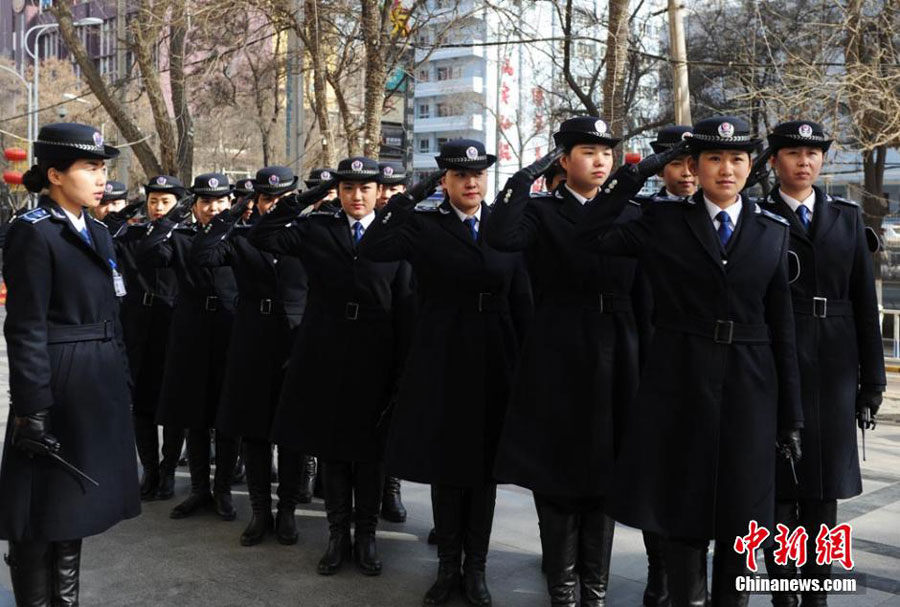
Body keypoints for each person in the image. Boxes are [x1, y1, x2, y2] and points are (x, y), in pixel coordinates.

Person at [575, 116, 804, 607]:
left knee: (742, 519)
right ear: (695, 166)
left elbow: (782, 327)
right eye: (714, 159)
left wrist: (792, 416)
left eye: (737, 159)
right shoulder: (662, 220)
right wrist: (639, 171)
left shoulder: (771, 230)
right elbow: (590, 232)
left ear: (751, 166)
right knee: (684, 513)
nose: (726, 169)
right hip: (679, 379)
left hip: (750, 385)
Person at [486, 117, 667, 607]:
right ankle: (563, 590)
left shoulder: (633, 212)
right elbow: (501, 236)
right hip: (560, 350)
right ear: (563, 161)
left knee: (607, 474)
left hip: (620, 350)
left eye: (607, 152)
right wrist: (525, 176)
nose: (601, 160)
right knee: (557, 473)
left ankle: (597, 590)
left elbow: (648, 291)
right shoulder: (543, 211)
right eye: (587, 151)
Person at [361, 140, 533, 606]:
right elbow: (374, 246)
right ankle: (446, 568)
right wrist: (406, 197)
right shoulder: (423, 225)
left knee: (483, 471)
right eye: (460, 175)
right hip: (442, 356)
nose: (471, 182)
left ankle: (475, 569)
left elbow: (522, 297)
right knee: (446, 465)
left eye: (478, 174)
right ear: (445, 182)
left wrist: (523, 367)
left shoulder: (504, 225)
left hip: (495, 358)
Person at [248, 156, 414, 577]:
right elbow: (263, 234)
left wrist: (404, 365)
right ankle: (338, 537)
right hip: (327, 351)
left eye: (365, 188)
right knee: (335, 451)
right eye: (347, 188)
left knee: (371, 454)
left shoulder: (396, 233)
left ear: (379, 191)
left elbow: (407, 300)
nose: (356, 196)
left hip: (377, 353)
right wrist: (303, 198)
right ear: (336, 192)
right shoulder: (317, 228)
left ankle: (367, 536)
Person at [0, 122, 140, 606]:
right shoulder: (32, 233)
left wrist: (122, 381)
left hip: (96, 385)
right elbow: (25, 327)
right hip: (56, 385)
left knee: (72, 512)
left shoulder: (98, 230)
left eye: (103, 168)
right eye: (89, 167)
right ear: (55, 174)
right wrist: (33, 408)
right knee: (40, 515)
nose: (101, 178)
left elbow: (111, 314)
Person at [760, 120, 885, 607]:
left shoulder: (847, 218)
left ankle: (815, 593)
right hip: (775, 356)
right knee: (779, 486)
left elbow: (862, 301)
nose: (804, 161)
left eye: (813, 153)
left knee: (822, 490)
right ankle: (783, 592)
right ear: (774, 162)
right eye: (793, 153)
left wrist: (871, 381)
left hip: (834, 360)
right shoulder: (758, 216)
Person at [192, 166, 310, 547]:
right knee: (255, 432)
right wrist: (230, 212)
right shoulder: (241, 237)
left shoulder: (310, 235)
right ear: (255, 201)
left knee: (292, 432)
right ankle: (261, 512)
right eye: (265, 199)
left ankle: (288, 509)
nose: (272, 205)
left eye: (280, 199)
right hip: (252, 341)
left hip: (295, 340)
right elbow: (204, 255)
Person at [137, 173, 241, 522]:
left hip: (228, 329)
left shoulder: (238, 236)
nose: (212, 208)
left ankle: (223, 488)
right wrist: (170, 218)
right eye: (204, 202)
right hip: (191, 330)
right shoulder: (180, 236)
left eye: (219, 201)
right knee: (194, 413)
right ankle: (199, 489)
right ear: (194, 206)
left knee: (226, 414)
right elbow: (149, 254)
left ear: (229, 203)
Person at [106, 175, 188, 502]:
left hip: (171, 325)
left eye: (164, 202)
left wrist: (170, 223)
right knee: (140, 405)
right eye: (153, 201)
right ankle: (150, 470)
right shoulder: (132, 234)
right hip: (138, 325)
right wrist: (131, 208)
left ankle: (168, 471)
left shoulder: (184, 236)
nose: (157, 208)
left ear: (177, 205)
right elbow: (106, 229)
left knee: (171, 402)